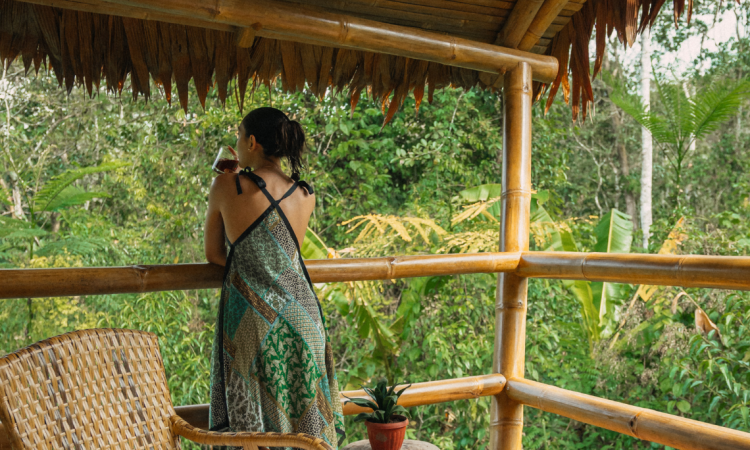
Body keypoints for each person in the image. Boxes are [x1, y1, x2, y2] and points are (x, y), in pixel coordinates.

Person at [204, 107, 345, 448]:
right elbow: (285, 256)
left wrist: (230, 178)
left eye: (239, 137)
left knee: (252, 431)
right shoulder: (305, 193)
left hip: (252, 321)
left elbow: (214, 254)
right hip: (303, 320)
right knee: (305, 430)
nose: (237, 144)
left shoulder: (226, 185)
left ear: (251, 141)